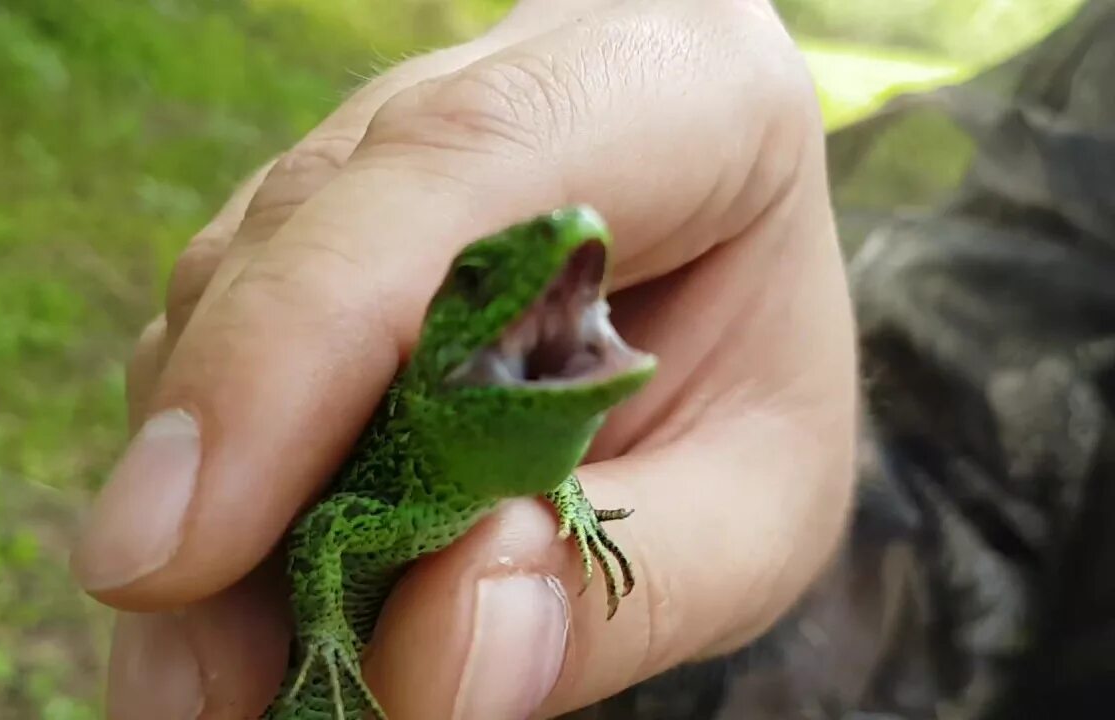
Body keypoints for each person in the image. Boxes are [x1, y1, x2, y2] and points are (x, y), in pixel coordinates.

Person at [67, 0, 859, 717]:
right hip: (318, 654)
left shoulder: (529, 441)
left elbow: (503, 467)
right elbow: (329, 529)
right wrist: (329, 637)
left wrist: (575, 501)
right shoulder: (420, 453)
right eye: (475, 284)